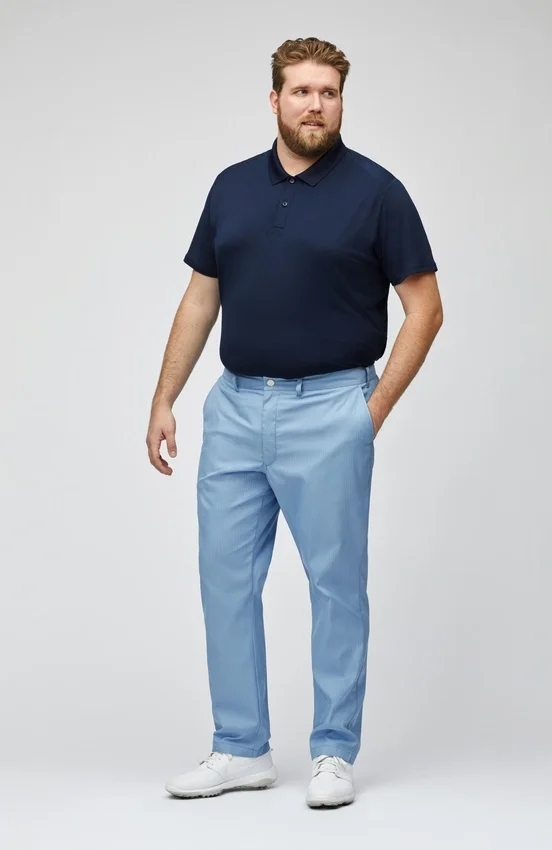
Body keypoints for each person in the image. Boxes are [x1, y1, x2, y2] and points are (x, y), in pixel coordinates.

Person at [147, 36, 443, 808]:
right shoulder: (231, 187)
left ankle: (333, 752)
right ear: (274, 99)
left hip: (330, 408)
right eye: (302, 91)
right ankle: (240, 747)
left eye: (328, 93)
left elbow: (424, 309)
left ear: (341, 101)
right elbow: (200, 298)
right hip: (236, 407)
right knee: (224, 581)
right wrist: (164, 397)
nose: (316, 105)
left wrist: (368, 413)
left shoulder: (377, 192)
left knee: (335, 586)